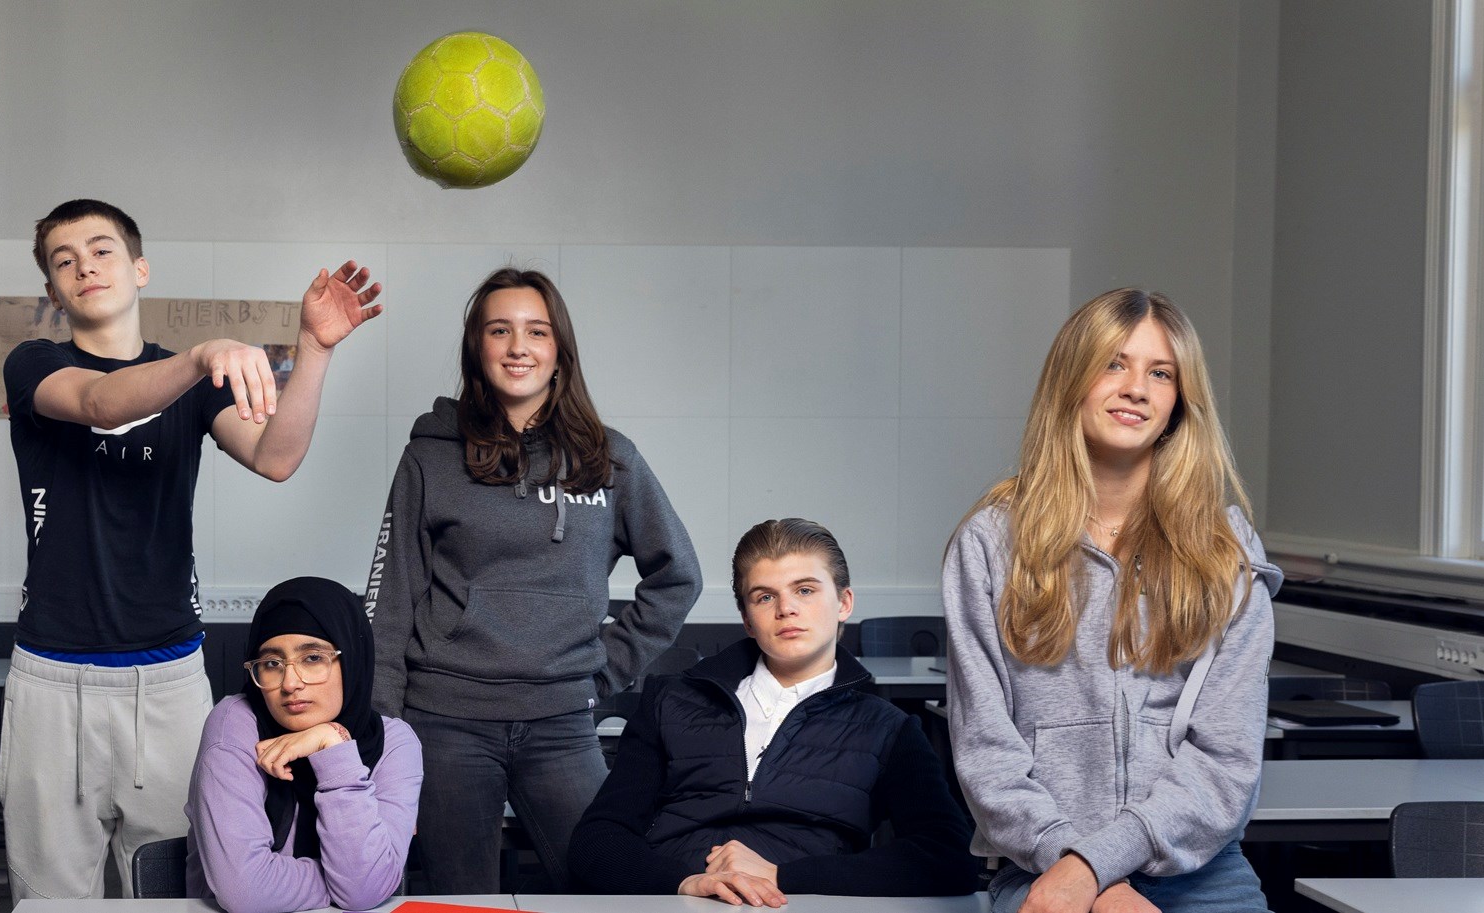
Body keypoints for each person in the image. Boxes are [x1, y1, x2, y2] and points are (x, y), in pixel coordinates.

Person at [0, 199, 381, 899]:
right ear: (54, 292)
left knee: (184, 892)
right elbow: (100, 404)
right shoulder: (34, 365)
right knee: (51, 901)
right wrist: (202, 355)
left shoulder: (194, 390)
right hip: (54, 681)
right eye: (64, 260)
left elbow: (276, 457)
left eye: (102, 249)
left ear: (140, 268)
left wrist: (315, 349)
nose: (84, 264)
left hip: (169, 682)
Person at [943, 288, 1284, 913]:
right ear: (1071, 380)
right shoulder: (991, 542)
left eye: (1161, 373)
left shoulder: (1223, 548)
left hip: (1203, 871)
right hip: (1040, 863)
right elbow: (987, 754)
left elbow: (1226, 759)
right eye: (1113, 364)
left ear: (1180, 401)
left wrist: (1098, 865)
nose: (1137, 388)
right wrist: (1078, 872)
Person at [365, 266, 701, 893]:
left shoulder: (611, 459)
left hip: (562, 722)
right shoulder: (430, 457)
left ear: (558, 351)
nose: (519, 347)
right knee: (460, 901)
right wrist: (385, 733)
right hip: (444, 724)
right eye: (500, 330)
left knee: (607, 891)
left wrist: (604, 670)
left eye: (537, 331)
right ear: (478, 348)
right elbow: (391, 601)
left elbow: (677, 576)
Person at [568, 518, 979, 906]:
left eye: (805, 590)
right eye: (765, 596)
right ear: (748, 620)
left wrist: (781, 876)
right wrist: (685, 882)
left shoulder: (888, 729)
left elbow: (947, 859)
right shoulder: (670, 702)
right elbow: (597, 842)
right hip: (678, 905)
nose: (786, 609)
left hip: (797, 907)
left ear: (844, 602)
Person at [186, 577, 423, 913]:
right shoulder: (234, 725)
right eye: (271, 664)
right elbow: (245, 891)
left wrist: (333, 748)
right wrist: (342, 882)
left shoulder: (395, 743)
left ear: (352, 658)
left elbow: (364, 890)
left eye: (312, 658)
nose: (290, 683)